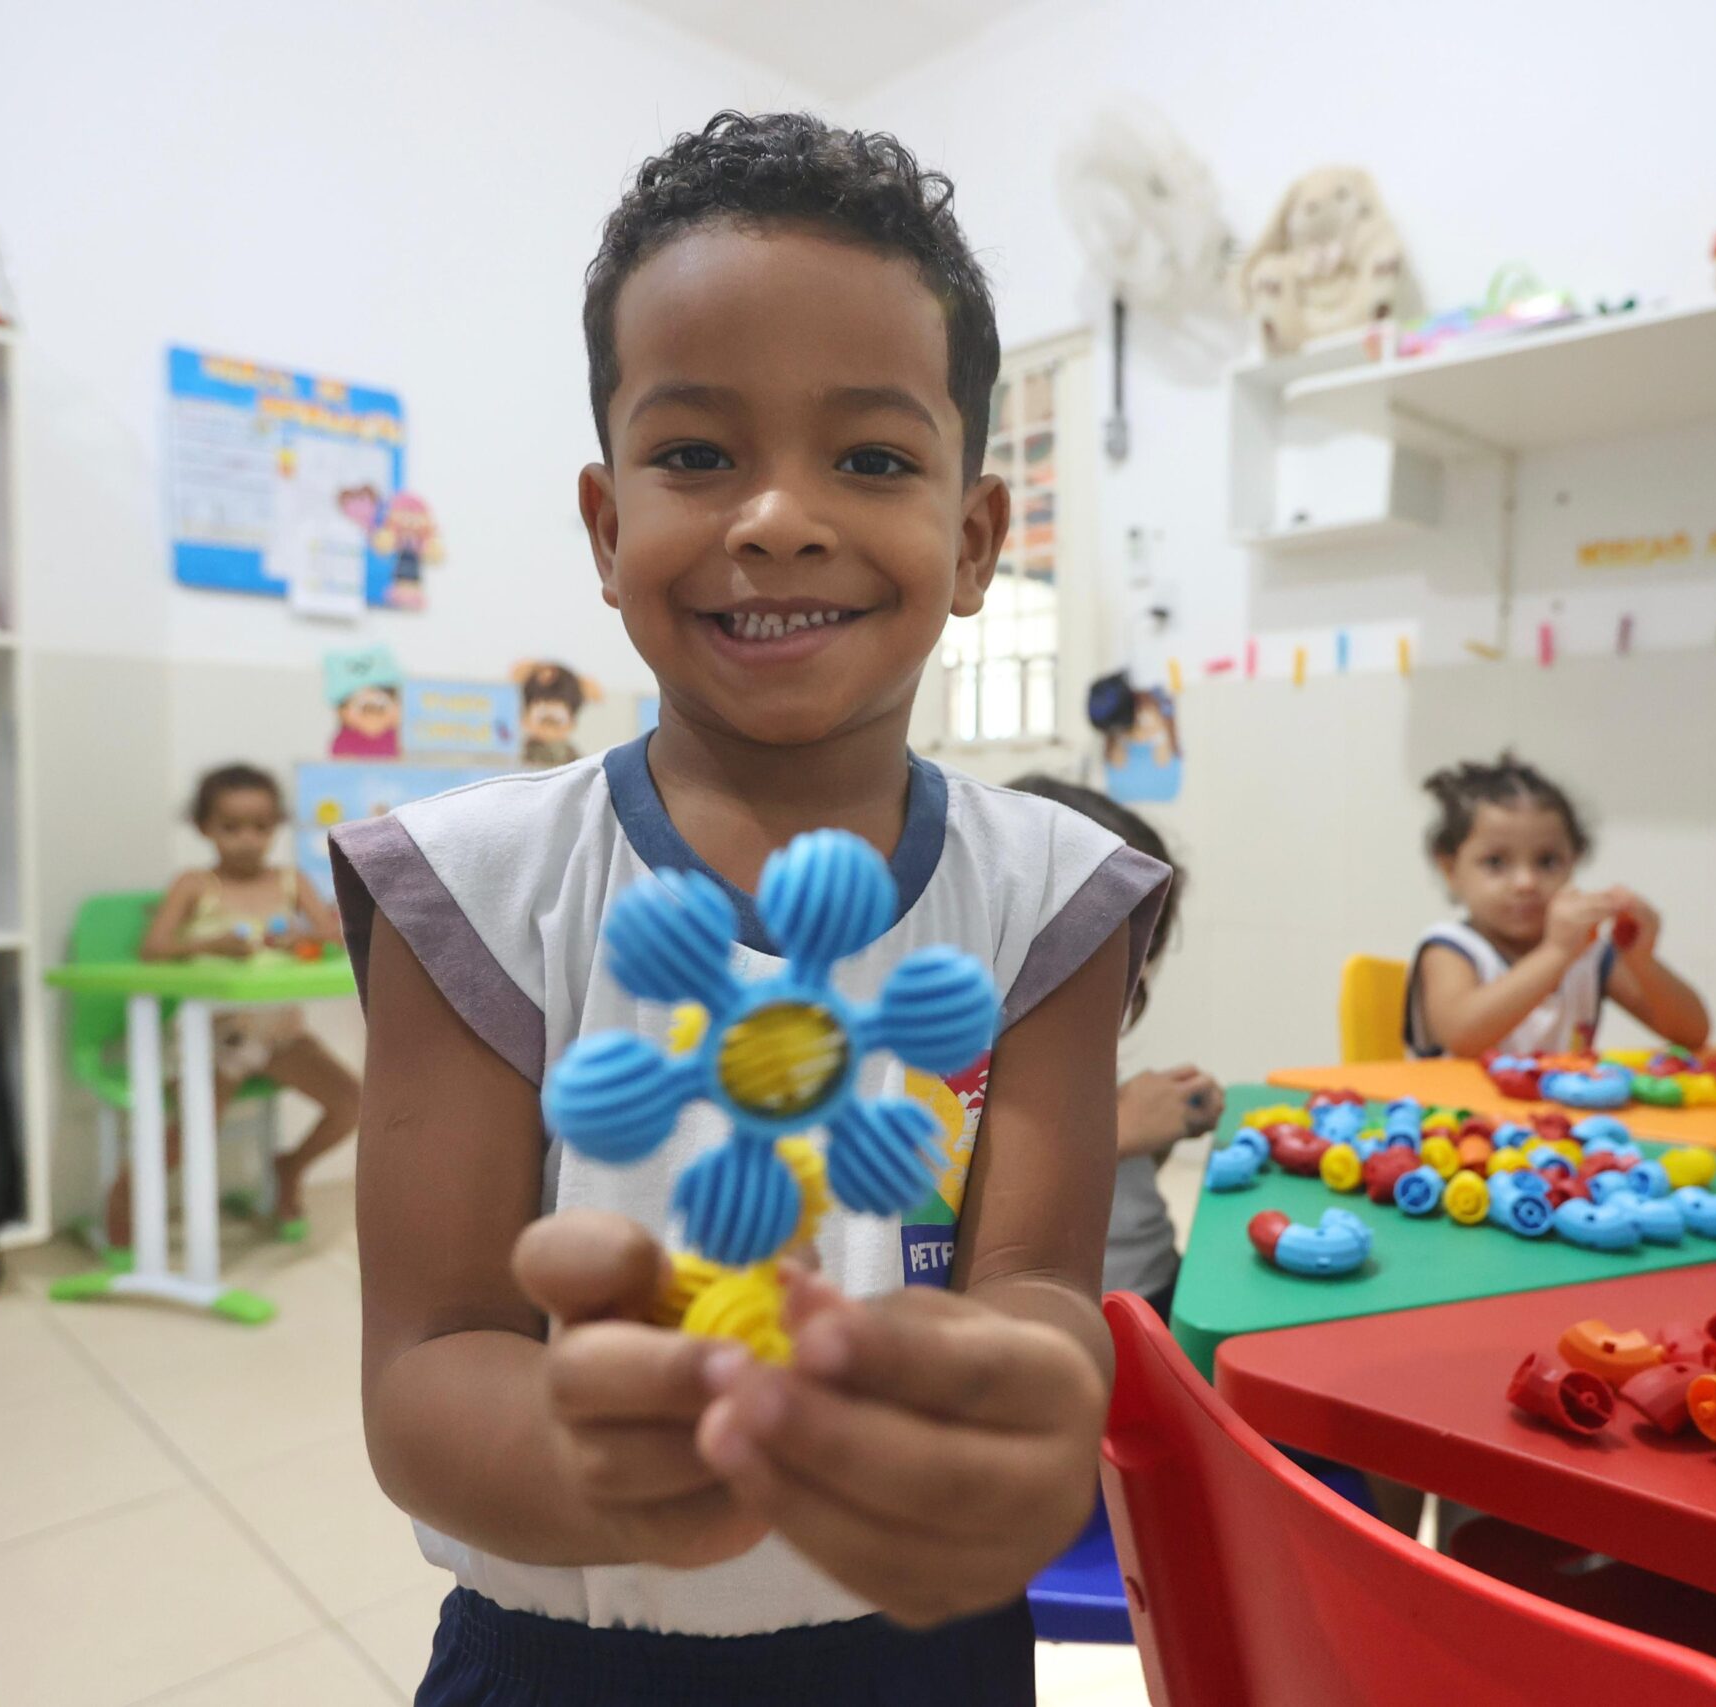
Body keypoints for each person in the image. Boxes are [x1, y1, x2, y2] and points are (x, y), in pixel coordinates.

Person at [331, 112, 1169, 1705]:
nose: (778, 516)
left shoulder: (1052, 900)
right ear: (605, 523)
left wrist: (1026, 1395)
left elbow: (1040, 1284)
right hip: (564, 1656)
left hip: (928, 1648)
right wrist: (613, 1458)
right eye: (698, 453)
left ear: (977, 535)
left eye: (871, 457)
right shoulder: (482, 890)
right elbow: (429, 1358)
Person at [1009, 775, 1218, 1323]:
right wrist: (1124, 1130)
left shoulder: (1088, 1060)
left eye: (1137, 966)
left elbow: (1111, 1197)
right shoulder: (968, 1073)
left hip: (1159, 1289)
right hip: (1095, 1318)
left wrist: (1162, 1128)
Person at [131, 764, 358, 1238]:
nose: (248, 840)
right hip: (215, 1038)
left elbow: (335, 935)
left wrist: (304, 936)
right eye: (231, 827)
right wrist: (209, 945)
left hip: (280, 1035)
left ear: (276, 827)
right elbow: (152, 949)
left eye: (261, 827)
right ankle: (122, 1203)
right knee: (191, 1135)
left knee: (351, 1102)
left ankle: (290, 1168)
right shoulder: (194, 883)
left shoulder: (292, 881)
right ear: (205, 828)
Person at [1407, 753, 1709, 1059]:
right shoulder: (1450, 948)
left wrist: (1642, 961)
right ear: (1450, 870)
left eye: (1547, 861)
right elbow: (1462, 1036)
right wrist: (1556, 953)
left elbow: (1692, 1034)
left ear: (1573, 862)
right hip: (1455, 1107)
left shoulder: (1586, 953)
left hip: (1560, 1109)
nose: (1526, 882)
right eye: (1496, 862)